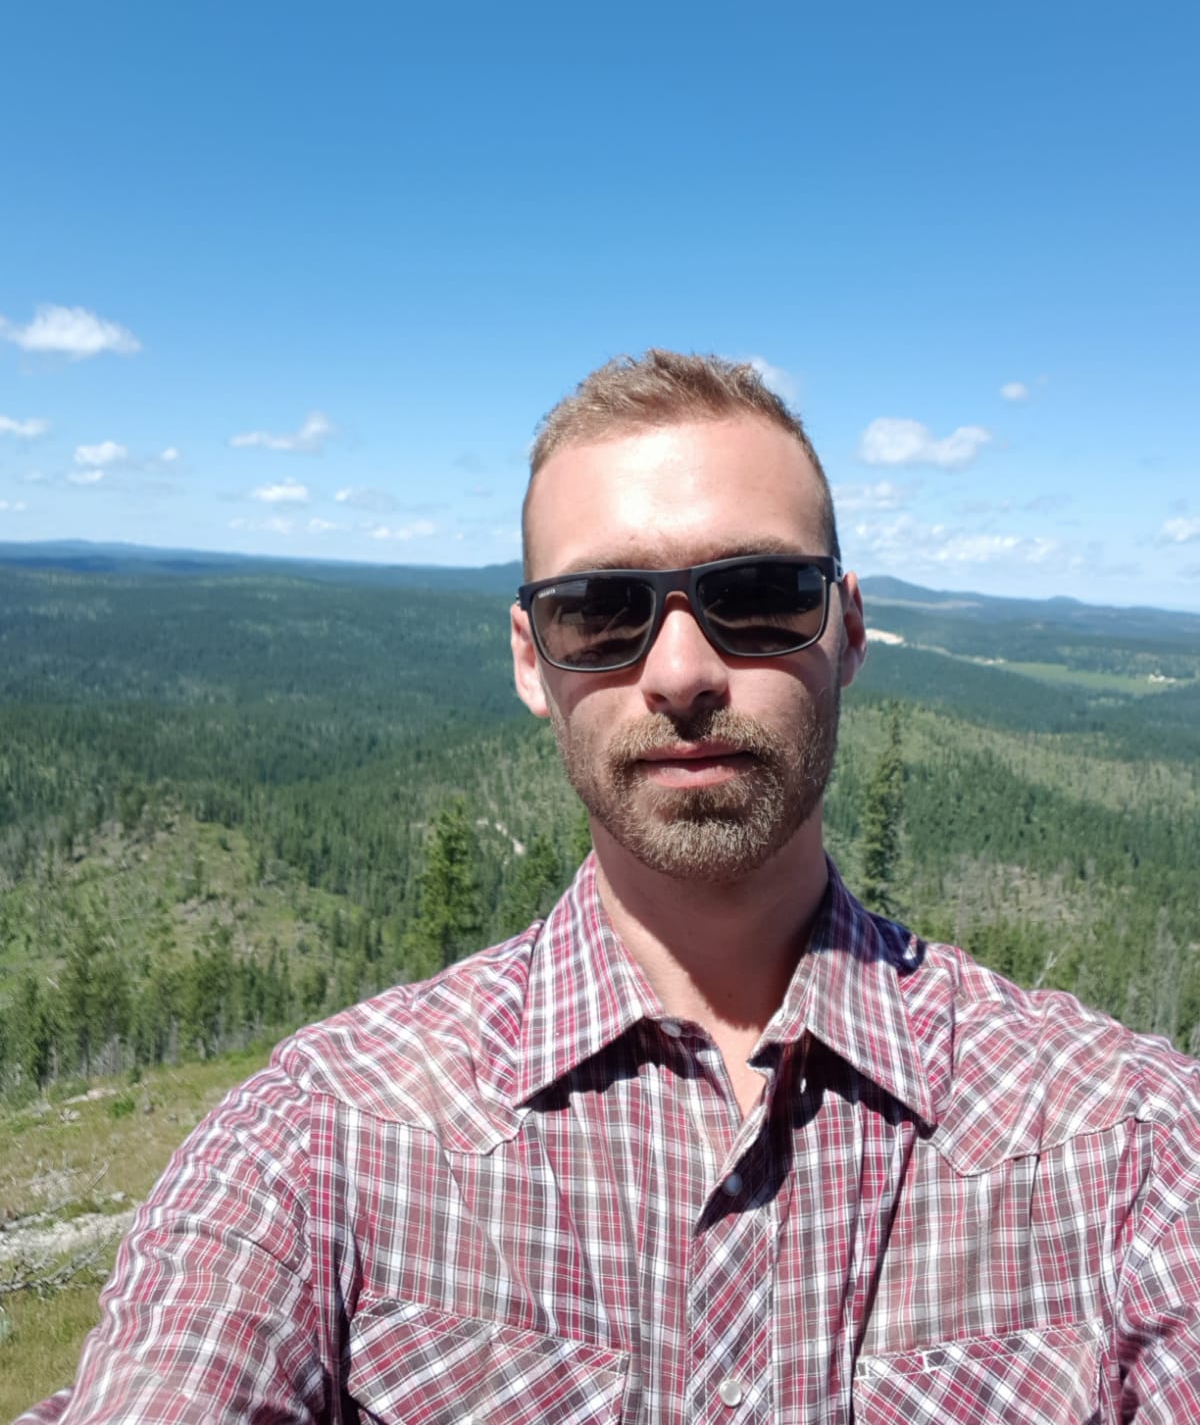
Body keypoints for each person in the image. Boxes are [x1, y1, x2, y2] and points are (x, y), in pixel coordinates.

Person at [20, 349, 1200, 1424]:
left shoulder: (1128, 1150)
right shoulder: (325, 1141)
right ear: (532, 660)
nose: (682, 671)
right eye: (599, 613)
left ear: (847, 631)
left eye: (760, 594)